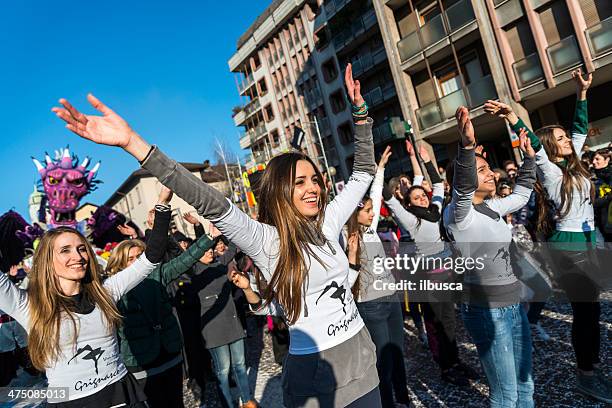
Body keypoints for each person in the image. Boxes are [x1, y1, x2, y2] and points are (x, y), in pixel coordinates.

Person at [52, 63, 381, 408]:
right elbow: (208, 200)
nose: (313, 188)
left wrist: (360, 115)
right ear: (281, 191)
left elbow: (362, 173)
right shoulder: (265, 240)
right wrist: (133, 143)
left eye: (315, 180)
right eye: (299, 182)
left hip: (362, 359)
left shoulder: (329, 222)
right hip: (315, 378)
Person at [484, 68, 611, 403]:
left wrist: (583, 93)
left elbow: (580, 128)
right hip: (568, 250)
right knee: (585, 314)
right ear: (551, 146)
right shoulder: (551, 169)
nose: (567, 138)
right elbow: (536, 143)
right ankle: (586, 375)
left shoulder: (577, 165)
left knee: (592, 312)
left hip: (588, 243)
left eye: (565, 135)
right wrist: (512, 114)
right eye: (560, 137)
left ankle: (592, 367)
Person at [0, 214, 167, 406]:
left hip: (122, 393)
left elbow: (152, 256)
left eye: (82, 249)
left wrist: (163, 208)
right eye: (65, 250)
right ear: (47, 261)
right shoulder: (28, 305)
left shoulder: (106, 292)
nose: (78, 257)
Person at [445, 106, 537, 407]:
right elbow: (461, 190)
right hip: (486, 310)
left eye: (488, 169)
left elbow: (523, 195)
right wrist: (468, 148)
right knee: (505, 393)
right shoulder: (459, 214)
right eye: (481, 170)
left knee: (526, 384)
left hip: (512, 305)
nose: (490, 175)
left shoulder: (492, 207)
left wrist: (530, 158)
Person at [105, 187, 216, 408]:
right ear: (119, 264)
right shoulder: (112, 289)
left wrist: (210, 237)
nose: (137, 261)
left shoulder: (157, 272)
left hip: (170, 356)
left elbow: (186, 259)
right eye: (131, 258)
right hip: (141, 365)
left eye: (140, 256)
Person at [383, 141, 477, 387]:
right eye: (416, 197)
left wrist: (424, 160)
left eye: (422, 195)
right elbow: (390, 201)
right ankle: (447, 368)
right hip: (430, 277)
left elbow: (436, 185)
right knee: (440, 323)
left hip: (447, 272)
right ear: (410, 203)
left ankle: (455, 361)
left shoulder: (435, 209)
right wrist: (379, 170)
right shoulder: (411, 220)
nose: (422, 198)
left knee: (450, 321)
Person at [342, 146, 410, 408]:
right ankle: (387, 403)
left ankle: (403, 399)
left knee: (398, 354)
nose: (373, 213)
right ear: (354, 214)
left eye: (372, 209)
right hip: (371, 305)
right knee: (383, 361)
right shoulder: (346, 238)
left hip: (391, 298)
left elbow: (376, 195)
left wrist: (380, 168)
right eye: (367, 210)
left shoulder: (370, 229)